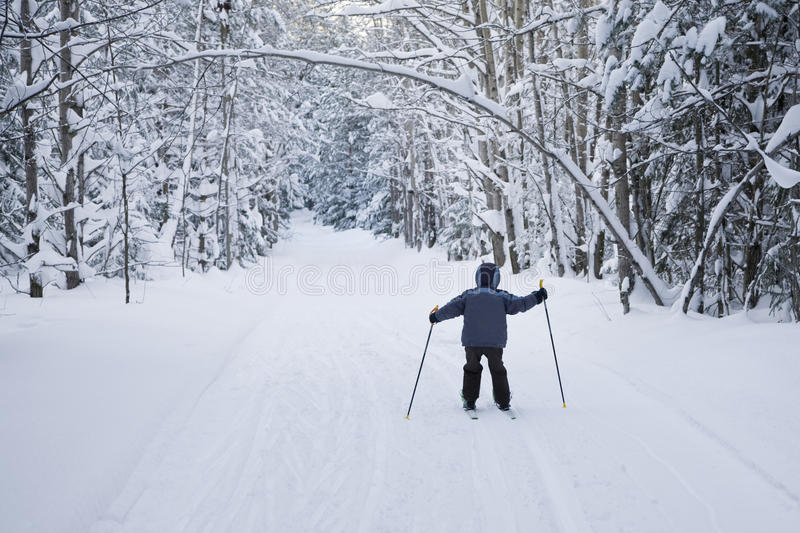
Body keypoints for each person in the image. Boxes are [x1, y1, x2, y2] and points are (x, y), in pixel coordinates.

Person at [428, 262, 547, 411]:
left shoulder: (468, 295)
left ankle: (470, 400)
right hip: (495, 343)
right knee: (498, 370)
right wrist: (537, 297)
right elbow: (521, 304)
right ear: (496, 279)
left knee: (472, 368)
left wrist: (435, 317)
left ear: (477, 278)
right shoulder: (502, 296)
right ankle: (503, 401)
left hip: (472, 342)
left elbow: (450, 308)